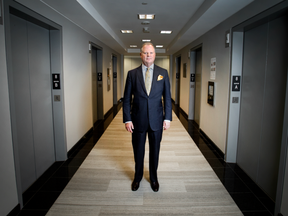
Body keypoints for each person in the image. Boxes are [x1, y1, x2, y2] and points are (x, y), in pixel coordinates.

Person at [123, 42, 172, 192]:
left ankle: (154, 178)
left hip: (157, 120)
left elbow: (167, 98)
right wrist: (127, 119)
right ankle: (137, 178)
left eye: (151, 53)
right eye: (145, 53)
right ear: (140, 55)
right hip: (137, 120)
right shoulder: (132, 74)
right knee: (138, 151)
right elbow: (126, 99)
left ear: (155, 55)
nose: (148, 55)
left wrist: (167, 117)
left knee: (155, 151)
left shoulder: (163, 73)